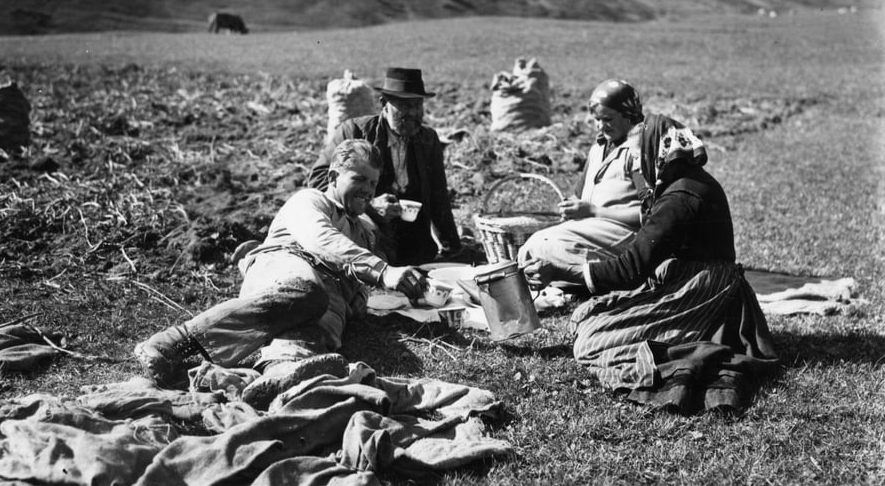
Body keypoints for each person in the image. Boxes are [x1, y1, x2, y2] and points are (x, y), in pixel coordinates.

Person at [522, 114, 779, 413]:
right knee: (586, 316)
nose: (633, 165)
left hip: (702, 292)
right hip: (692, 279)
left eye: (635, 155)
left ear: (653, 150)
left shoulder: (680, 196)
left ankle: (683, 347)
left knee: (591, 342)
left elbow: (631, 269)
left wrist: (564, 271)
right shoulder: (681, 182)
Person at [134, 139, 428, 391]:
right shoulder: (310, 201)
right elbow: (320, 240)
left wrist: (358, 300)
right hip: (286, 271)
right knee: (306, 293)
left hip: (324, 302)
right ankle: (172, 343)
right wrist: (383, 271)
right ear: (334, 176)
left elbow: (355, 283)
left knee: (305, 345)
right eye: (359, 179)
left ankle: (278, 379)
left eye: (373, 183)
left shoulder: (362, 232)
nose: (368, 189)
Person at [307, 67, 462, 266]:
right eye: (404, 105)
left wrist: (453, 249)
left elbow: (438, 197)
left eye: (417, 105)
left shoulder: (428, 139)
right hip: (366, 241)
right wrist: (367, 205)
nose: (413, 113)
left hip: (416, 247)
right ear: (384, 104)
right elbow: (319, 180)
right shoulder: (354, 131)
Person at [517, 79, 645, 286]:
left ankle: (597, 278)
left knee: (542, 248)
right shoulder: (598, 149)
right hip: (594, 230)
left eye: (608, 119)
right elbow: (579, 195)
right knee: (534, 248)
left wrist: (594, 211)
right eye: (596, 119)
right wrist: (571, 207)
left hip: (624, 235)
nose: (601, 126)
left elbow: (651, 214)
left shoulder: (639, 151)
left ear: (629, 115)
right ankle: (571, 279)